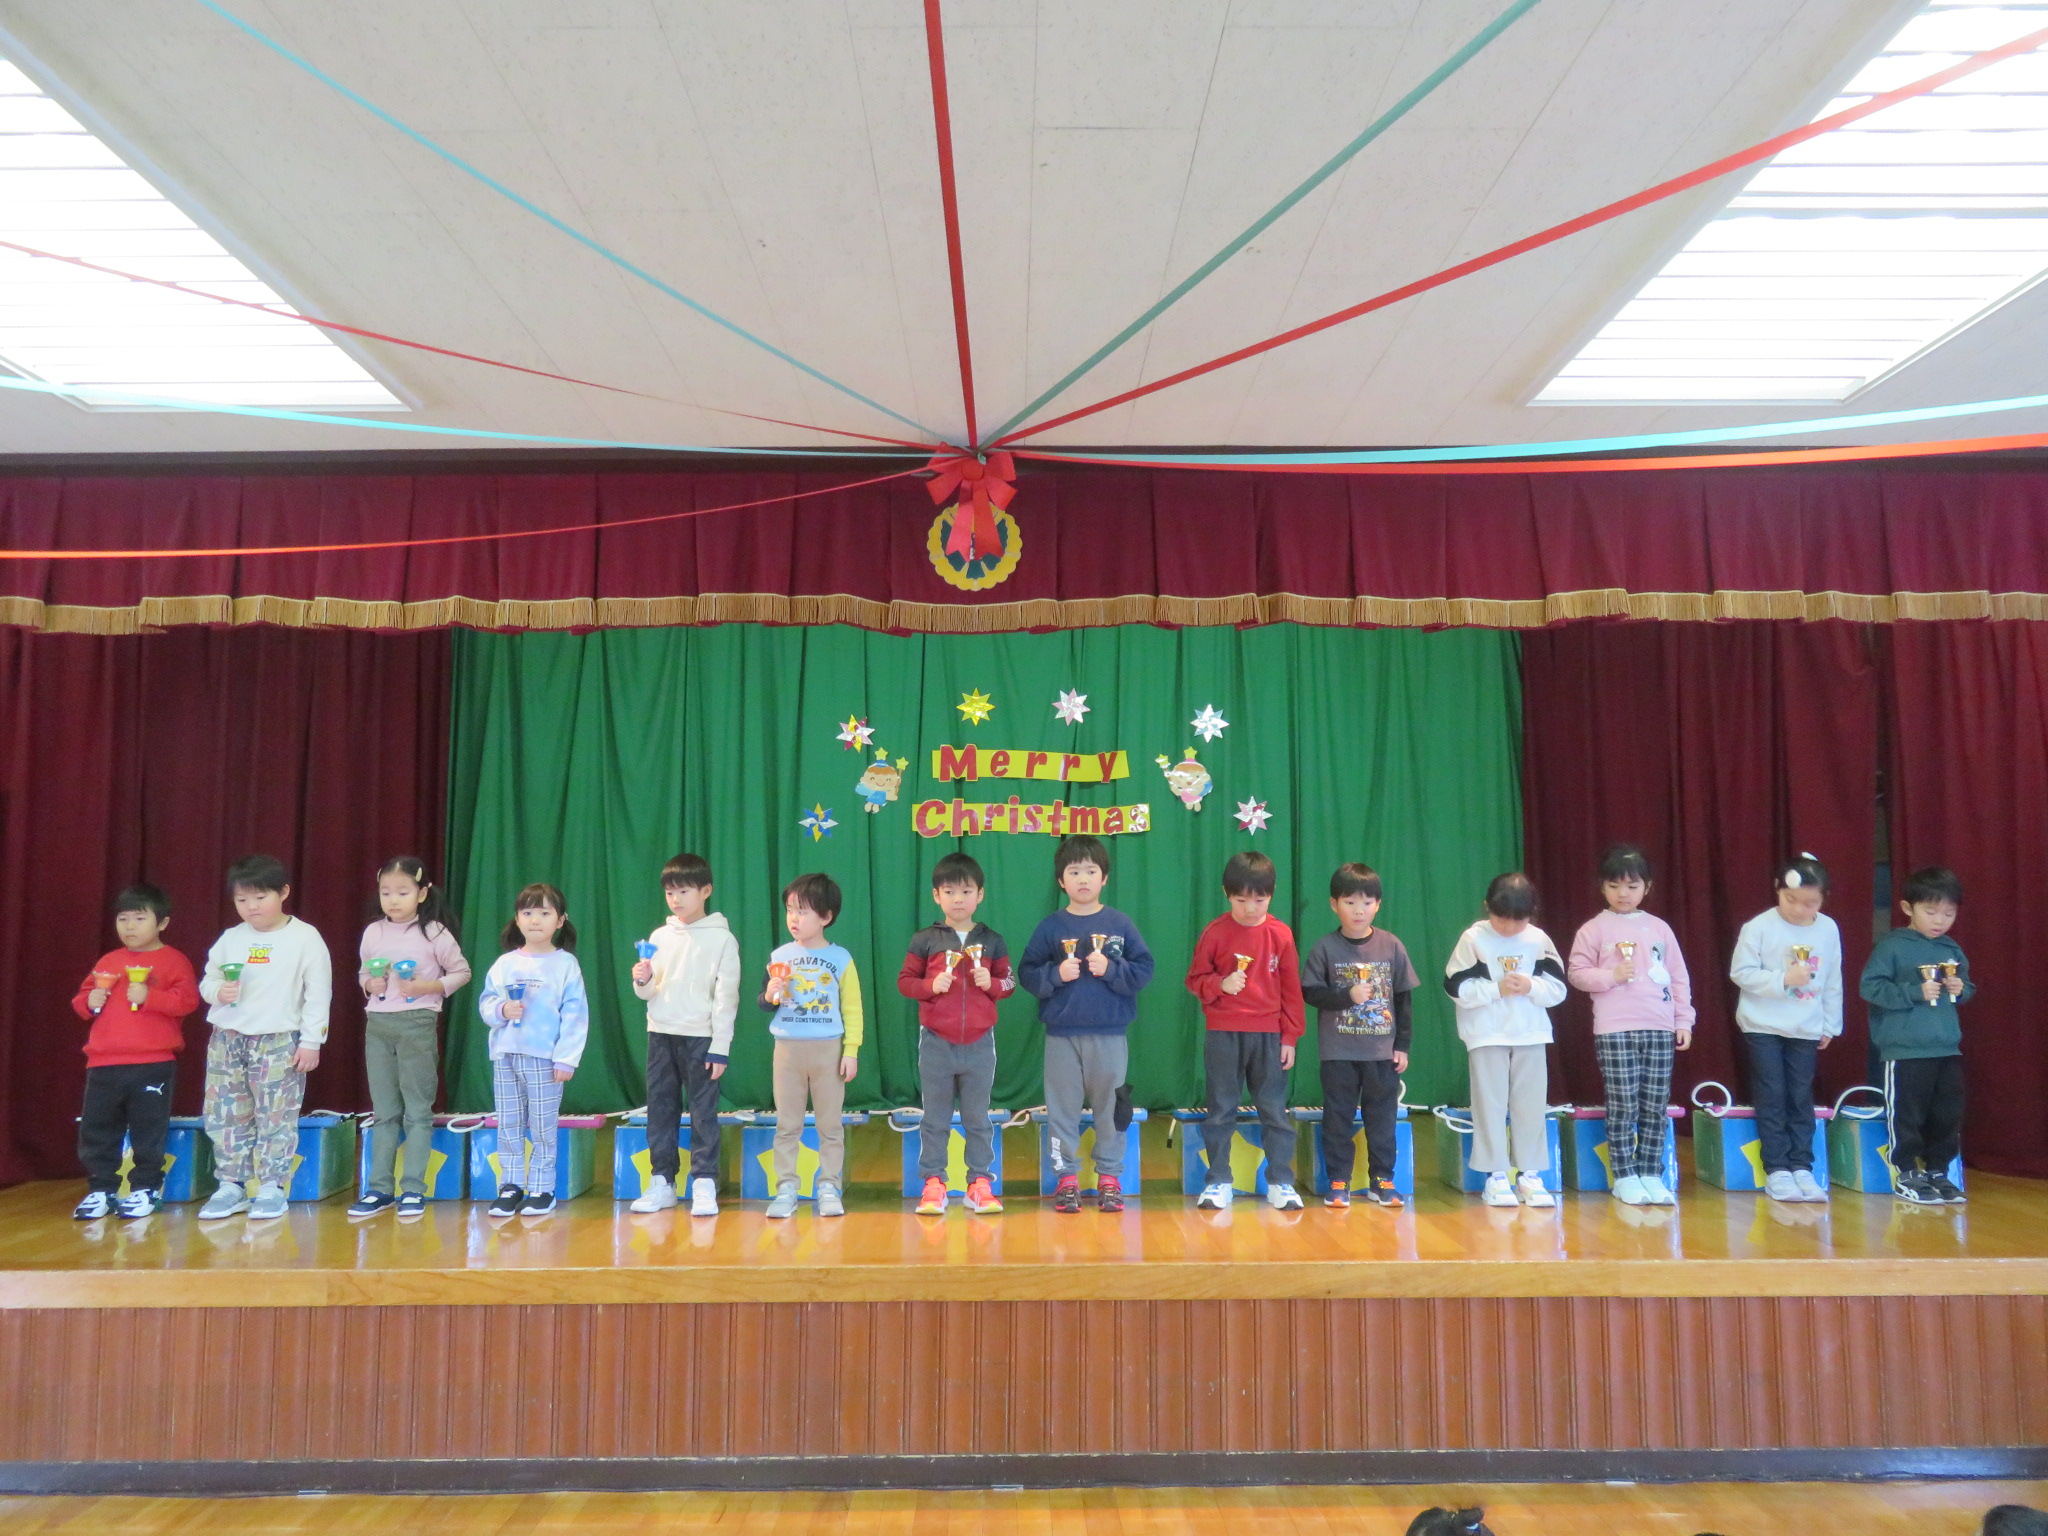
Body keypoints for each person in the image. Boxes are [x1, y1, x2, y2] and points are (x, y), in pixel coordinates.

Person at [1018, 835, 1154, 1213]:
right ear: (1060, 881)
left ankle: (1110, 1178)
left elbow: (1144, 969)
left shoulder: (1120, 924)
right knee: (1061, 1111)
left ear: (1104, 878)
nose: (1083, 878)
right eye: (1074, 871)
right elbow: (1027, 973)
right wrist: (1055, 974)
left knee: (1112, 1109)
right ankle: (1066, 1179)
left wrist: (1111, 968)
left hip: (1110, 1035)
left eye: (1091, 871)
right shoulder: (1050, 927)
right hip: (1061, 1037)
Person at [195, 855, 332, 1223]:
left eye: (260, 897)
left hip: (278, 1039)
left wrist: (311, 1041)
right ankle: (231, 1185)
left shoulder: (305, 937)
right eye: (242, 900)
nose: (251, 907)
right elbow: (208, 981)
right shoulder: (231, 939)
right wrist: (217, 992)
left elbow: (318, 993)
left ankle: (272, 1186)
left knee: (276, 1114)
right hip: (227, 1038)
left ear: (283, 892)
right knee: (225, 1111)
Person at [1566, 843, 1693, 1208]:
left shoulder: (1660, 928)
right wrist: (1611, 976)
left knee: (1655, 1103)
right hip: (1615, 1028)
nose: (1623, 893)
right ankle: (1624, 1175)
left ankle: (1651, 1173)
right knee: (1623, 1103)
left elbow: (1678, 976)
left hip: (1660, 1026)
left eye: (1632, 886)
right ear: (1602, 886)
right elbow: (1576, 973)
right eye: (1614, 885)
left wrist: (1683, 1019)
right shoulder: (1593, 929)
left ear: (1647, 888)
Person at [348, 856, 470, 1220]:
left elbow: (461, 972)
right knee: (384, 1112)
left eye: (402, 892)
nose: (393, 900)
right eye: (386, 892)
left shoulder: (434, 932)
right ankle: (379, 1189)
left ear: (422, 893)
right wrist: (370, 984)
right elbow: (364, 973)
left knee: (417, 1110)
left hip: (417, 1023)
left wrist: (426, 987)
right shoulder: (373, 932)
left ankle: (413, 1189)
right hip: (377, 1024)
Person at [1186, 849, 1307, 1211]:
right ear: (1226, 893)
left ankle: (1281, 1181)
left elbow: (1291, 990)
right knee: (1221, 1108)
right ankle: (1218, 1181)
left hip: (1269, 1036)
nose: (1251, 908)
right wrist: (1220, 984)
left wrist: (1290, 1037)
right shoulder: (1215, 932)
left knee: (1274, 1110)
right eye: (1241, 900)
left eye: (1260, 899)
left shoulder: (1280, 934)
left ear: (1272, 894)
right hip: (1223, 1033)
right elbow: (1194, 979)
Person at [69, 883, 199, 1220]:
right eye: (123, 919)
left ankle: (145, 1189)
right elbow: (82, 1002)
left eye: (140, 919)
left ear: (162, 923)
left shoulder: (174, 960)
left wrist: (149, 997)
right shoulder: (109, 961)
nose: (129, 926)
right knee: (97, 1129)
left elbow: (187, 1002)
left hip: (152, 1062)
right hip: (103, 1062)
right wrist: (89, 1001)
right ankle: (102, 1189)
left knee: (148, 1129)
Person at [897, 851, 1014, 1215]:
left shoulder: (993, 940)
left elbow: (1010, 983)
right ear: (936, 896)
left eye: (966, 891)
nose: (958, 899)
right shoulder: (925, 939)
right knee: (935, 1118)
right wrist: (930, 986)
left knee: (978, 1118)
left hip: (980, 1043)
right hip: (936, 1042)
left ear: (980, 894)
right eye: (949, 892)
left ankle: (979, 1184)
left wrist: (991, 983)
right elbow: (905, 982)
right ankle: (934, 1183)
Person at [1445, 872, 1567, 1209]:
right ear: (1487, 907)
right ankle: (1496, 1175)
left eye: (1519, 920)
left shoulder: (1538, 939)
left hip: (1531, 1032)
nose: (1510, 928)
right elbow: (1455, 986)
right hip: (1486, 1033)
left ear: (1531, 914)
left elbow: (1558, 988)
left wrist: (1531, 987)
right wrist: (1495, 989)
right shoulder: (1473, 938)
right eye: (1502, 919)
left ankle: (1530, 1175)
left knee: (1531, 1105)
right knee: (1490, 1104)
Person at [1298, 862, 1417, 1209]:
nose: (1358, 910)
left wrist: (1402, 1045)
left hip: (1381, 1053)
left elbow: (1403, 998)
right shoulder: (1325, 948)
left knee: (1382, 1119)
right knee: (1337, 1118)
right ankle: (1339, 1181)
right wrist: (1347, 995)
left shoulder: (1391, 946)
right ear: (1334, 904)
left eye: (1366, 902)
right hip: (1338, 1053)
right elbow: (1311, 993)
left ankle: (1383, 1180)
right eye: (1349, 902)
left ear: (1378, 905)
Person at [629, 852, 740, 1218]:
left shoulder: (722, 940)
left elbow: (726, 997)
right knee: (660, 1109)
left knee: (703, 1112)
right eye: (669, 892)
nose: (675, 899)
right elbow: (648, 993)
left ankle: (704, 1182)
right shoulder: (660, 936)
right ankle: (662, 1181)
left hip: (701, 1038)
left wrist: (720, 1047)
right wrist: (643, 980)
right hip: (660, 1034)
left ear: (705, 891)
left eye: (683, 891)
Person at [1730, 853, 1841, 1203]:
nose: (1798, 909)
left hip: (1805, 1027)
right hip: (1763, 1024)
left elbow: (1832, 978)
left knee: (1800, 1096)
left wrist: (1830, 1024)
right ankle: (1777, 1168)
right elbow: (1741, 973)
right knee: (1772, 1094)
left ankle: (1802, 1167)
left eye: (1810, 903)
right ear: (1777, 889)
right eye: (1790, 899)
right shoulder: (1758, 927)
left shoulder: (1828, 928)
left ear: (1823, 900)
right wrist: (1783, 979)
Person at [1860, 865, 1973, 1205]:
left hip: (1946, 1047)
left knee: (1947, 1114)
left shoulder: (1951, 948)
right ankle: (1906, 1172)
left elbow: (1967, 988)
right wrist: (1913, 992)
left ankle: (1938, 1171)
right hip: (1905, 1050)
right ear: (1908, 908)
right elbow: (1870, 987)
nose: (1940, 920)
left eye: (1949, 913)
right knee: (1906, 1114)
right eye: (1931, 911)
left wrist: (1960, 988)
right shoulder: (1892, 946)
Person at [476, 883, 588, 1219]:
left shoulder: (565, 964)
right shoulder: (504, 964)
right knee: (509, 1122)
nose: (534, 920)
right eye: (527, 912)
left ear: (560, 920)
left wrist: (566, 1058)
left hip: (545, 1058)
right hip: (506, 1054)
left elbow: (575, 1014)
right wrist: (501, 1010)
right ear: (517, 919)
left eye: (544, 913)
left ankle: (542, 1188)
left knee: (542, 1125)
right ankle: (511, 1186)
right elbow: (487, 1002)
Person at [760, 872, 862, 1220]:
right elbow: (764, 1002)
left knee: (830, 1125)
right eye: (790, 910)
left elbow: (852, 1008)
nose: (794, 918)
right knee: (787, 1124)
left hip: (828, 1051)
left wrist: (851, 1050)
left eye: (803, 911)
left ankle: (829, 1186)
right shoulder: (779, 955)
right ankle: (786, 1188)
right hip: (787, 1050)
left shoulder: (841, 958)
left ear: (826, 917)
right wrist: (770, 994)